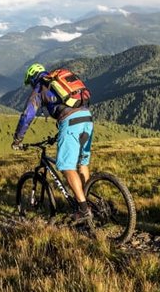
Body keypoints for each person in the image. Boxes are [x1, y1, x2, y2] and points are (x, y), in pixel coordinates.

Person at [12, 63, 94, 226]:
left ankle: (84, 210)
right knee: (82, 162)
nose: (31, 86)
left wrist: (17, 139)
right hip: (87, 117)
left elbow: (27, 115)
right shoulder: (58, 79)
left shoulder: (40, 87)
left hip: (70, 121)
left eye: (30, 82)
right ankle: (87, 200)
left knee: (65, 166)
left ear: (33, 77)